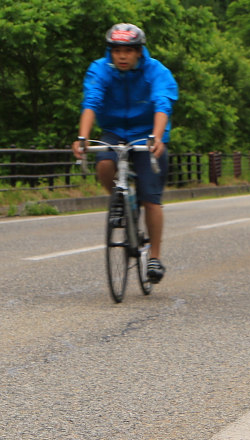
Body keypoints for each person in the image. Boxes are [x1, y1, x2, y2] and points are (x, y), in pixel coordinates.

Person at [71, 23, 178, 284]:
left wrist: (157, 136)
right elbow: (91, 101)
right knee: (105, 165)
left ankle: (154, 257)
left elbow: (163, 102)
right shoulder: (100, 69)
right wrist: (82, 137)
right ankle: (122, 201)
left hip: (147, 134)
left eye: (128, 50)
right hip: (115, 131)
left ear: (139, 51)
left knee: (151, 198)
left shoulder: (156, 70)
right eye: (116, 50)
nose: (121, 56)